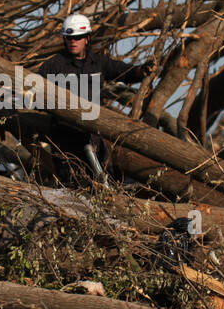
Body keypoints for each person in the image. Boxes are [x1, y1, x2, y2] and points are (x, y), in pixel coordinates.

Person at [34, 12, 148, 185]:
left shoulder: (99, 63)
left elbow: (125, 71)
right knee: (72, 183)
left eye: (78, 38)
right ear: (64, 39)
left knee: (104, 180)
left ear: (87, 38)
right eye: (70, 38)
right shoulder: (53, 65)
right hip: (64, 137)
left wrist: (142, 70)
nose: (73, 41)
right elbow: (35, 92)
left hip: (93, 134)